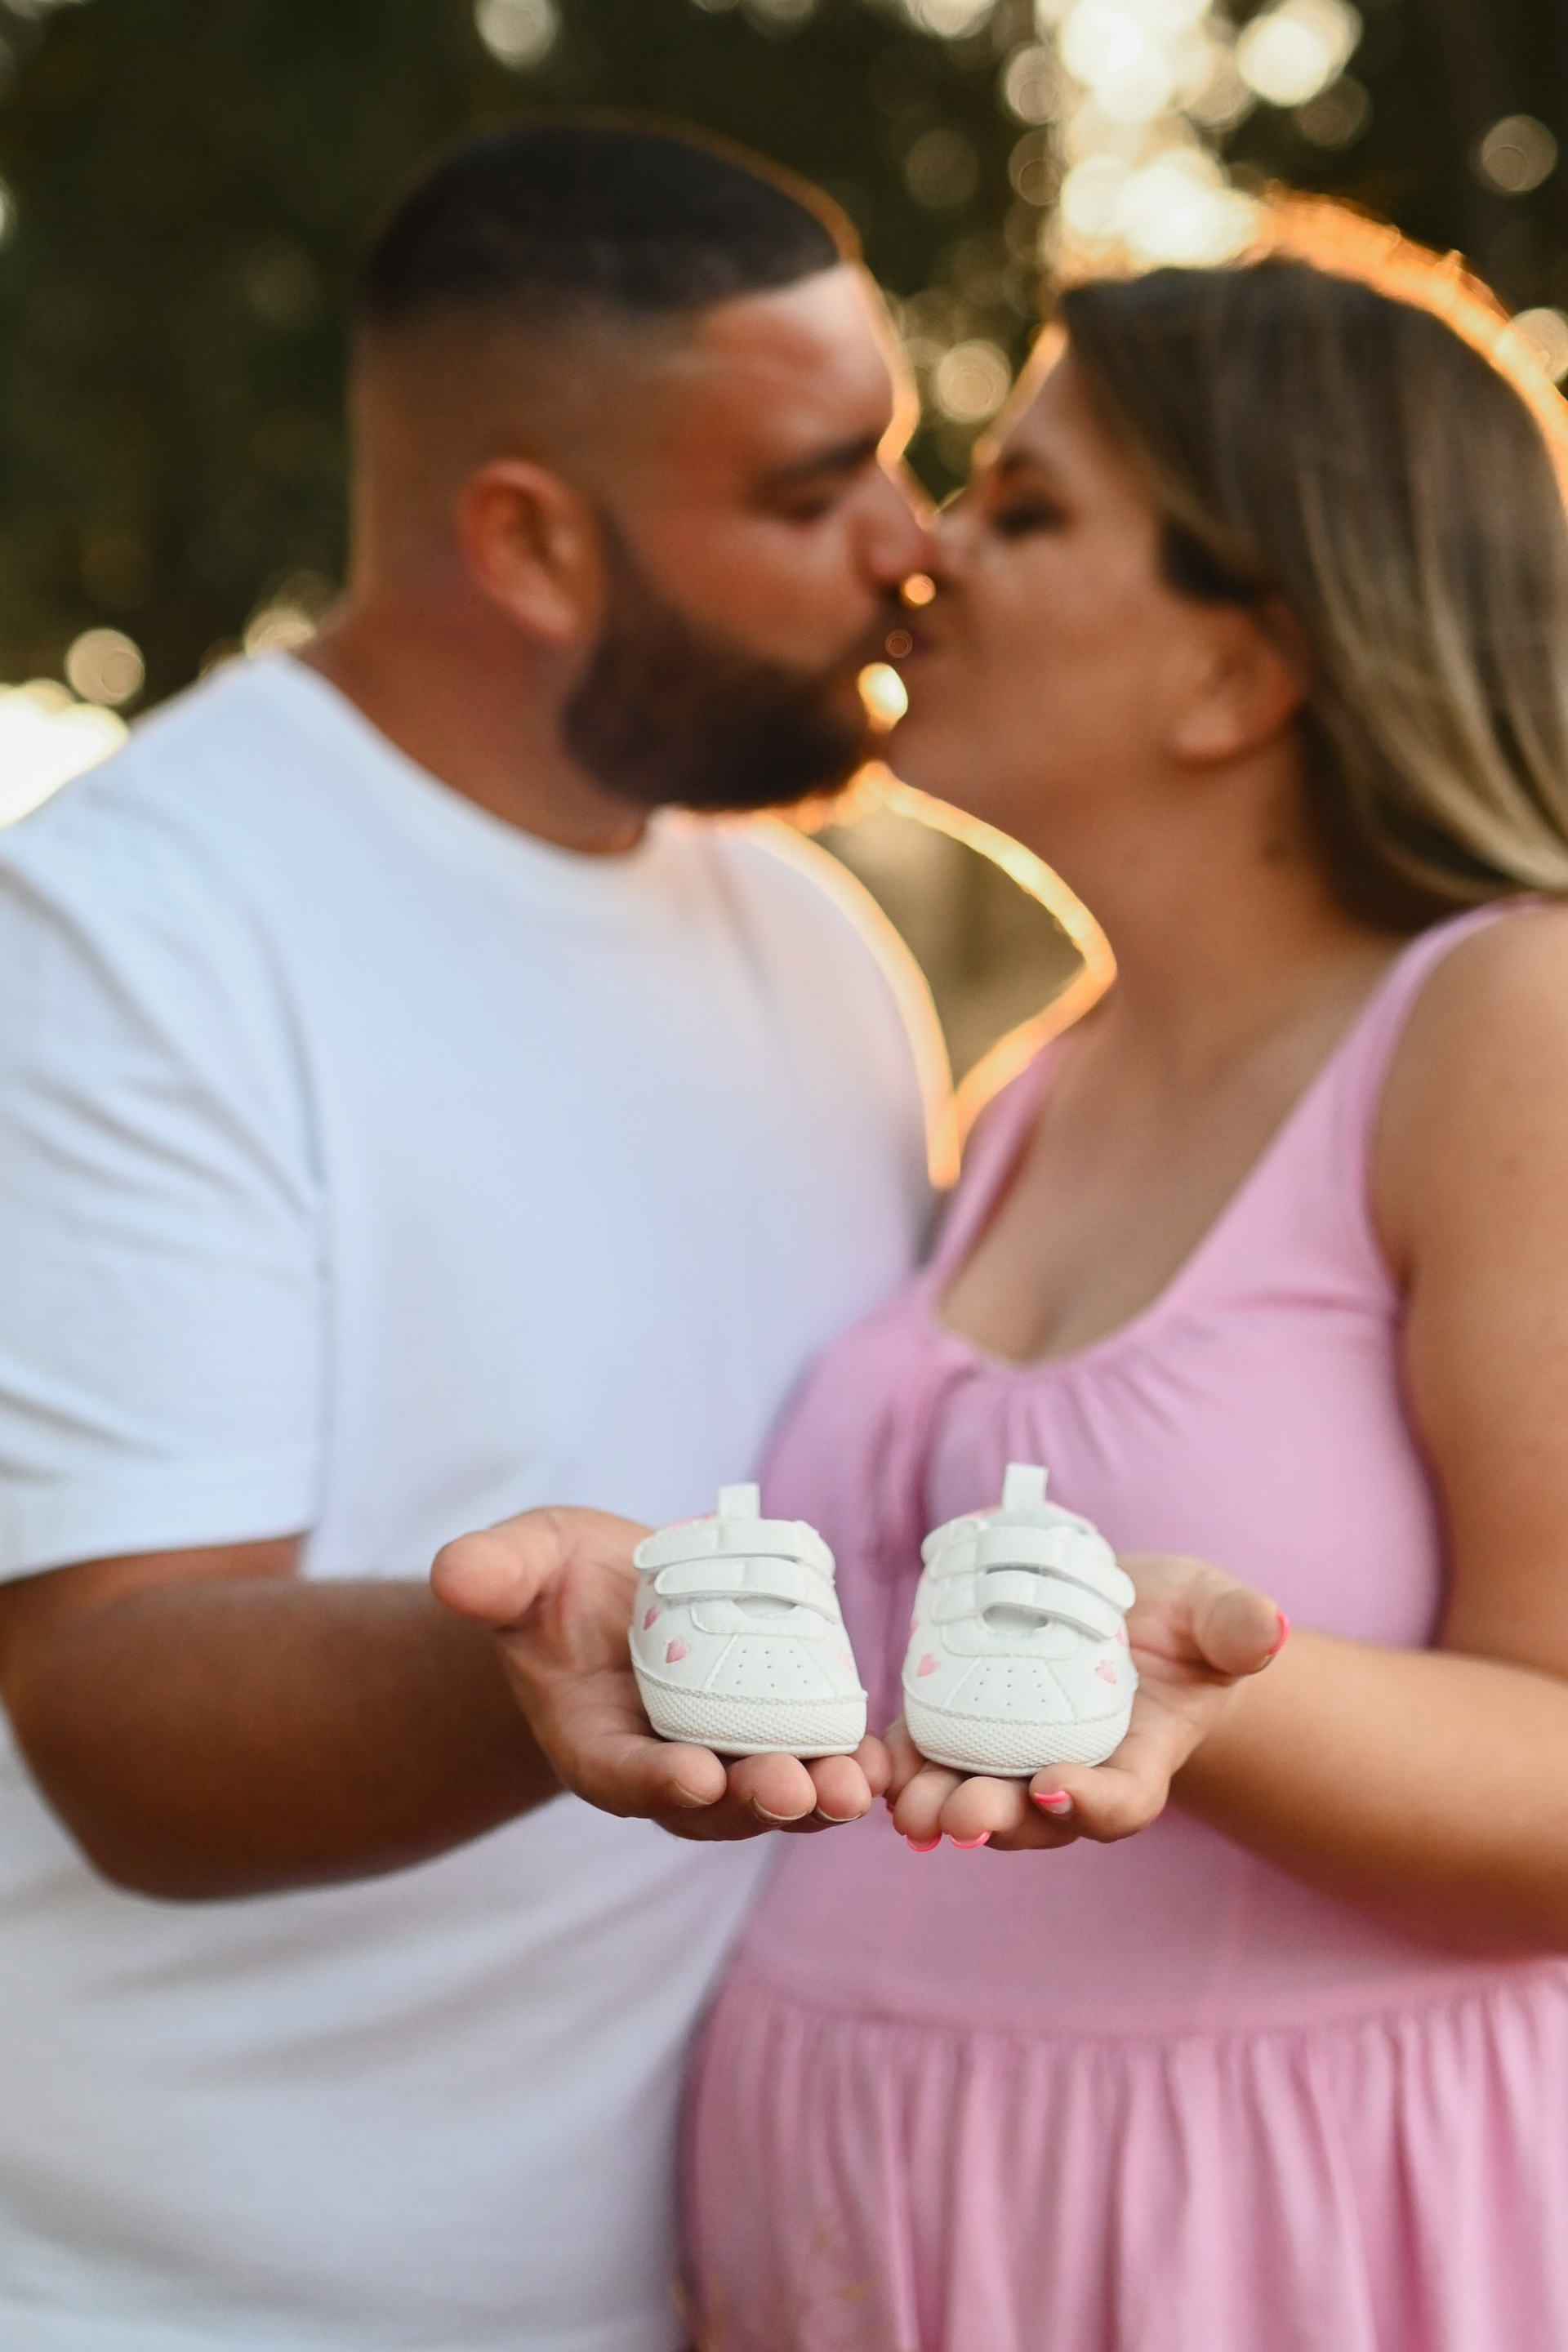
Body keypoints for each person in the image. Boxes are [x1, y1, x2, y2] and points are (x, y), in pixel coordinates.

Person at [440, 212, 1568, 2349]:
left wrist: (1219, 1698)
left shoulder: (1510, 1027)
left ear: (1243, 670)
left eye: (1025, 510)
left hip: (1264, 2248)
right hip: (879, 2242)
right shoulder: (1042, 1082)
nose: (921, 551)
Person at [0, 120, 939, 2352]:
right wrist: (532, 1665)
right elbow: (113, 1699)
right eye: (813, 492)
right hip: (177, 2306)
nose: (915, 549)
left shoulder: (823, 949)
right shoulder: (127, 935)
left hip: (703, 2288)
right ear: (526, 537)